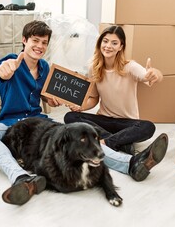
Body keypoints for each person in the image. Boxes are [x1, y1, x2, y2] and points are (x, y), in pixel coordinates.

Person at [0, 20, 61, 205]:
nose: (40, 46)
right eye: (35, 40)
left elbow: (43, 94)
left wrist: (50, 99)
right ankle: (21, 178)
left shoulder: (45, 67)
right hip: (9, 122)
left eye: (44, 42)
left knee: (72, 134)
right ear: (24, 40)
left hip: (37, 122)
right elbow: (4, 72)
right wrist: (6, 70)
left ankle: (127, 163)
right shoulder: (10, 61)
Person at [64, 25, 168, 182]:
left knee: (148, 126)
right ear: (100, 43)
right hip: (104, 120)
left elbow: (149, 76)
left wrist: (156, 74)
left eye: (114, 43)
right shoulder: (94, 67)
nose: (108, 46)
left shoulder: (130, 66)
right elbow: (94, 99)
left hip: (127, 122)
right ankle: (121, 144)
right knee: (70, 117)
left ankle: (106, 142)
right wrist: (81, 107)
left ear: (121, 47)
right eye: (105, 41)